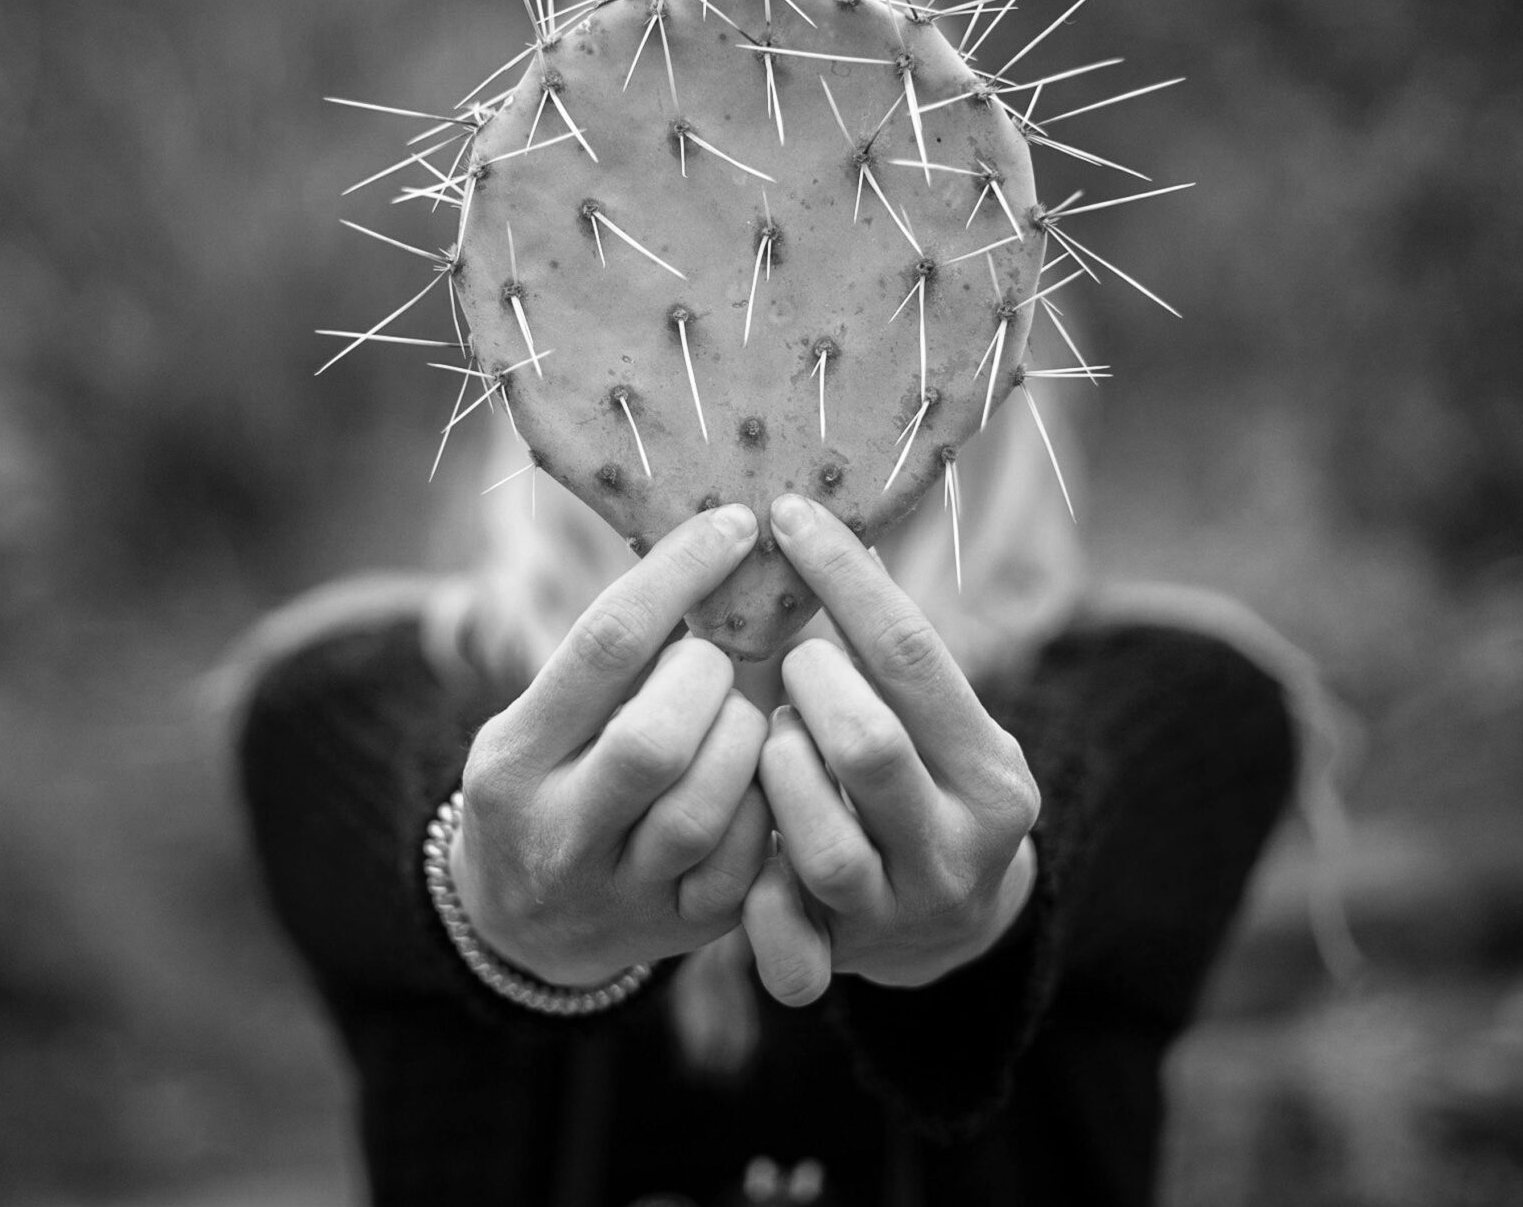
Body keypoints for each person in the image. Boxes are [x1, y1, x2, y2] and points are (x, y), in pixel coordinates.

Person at [226, 372, 1322, 1207]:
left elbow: (1072, 786)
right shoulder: (341, 699)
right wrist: (483, 888)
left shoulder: (1183, 700)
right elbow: (419, 797)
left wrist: (994, 894)